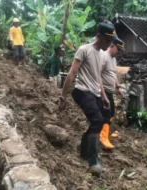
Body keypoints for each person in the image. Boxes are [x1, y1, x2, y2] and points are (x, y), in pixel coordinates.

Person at [58, 21, 117, 172]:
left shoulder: (101, 54)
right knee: (97, 121)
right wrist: (62, 97)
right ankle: (93, 162)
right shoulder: (84, 50)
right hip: (82, 91)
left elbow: (98, 77)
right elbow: (72, 73)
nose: (109, 44)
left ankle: (84, 152)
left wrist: (103, 96)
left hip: (95, 93)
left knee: (102, 120)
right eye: (108, 40)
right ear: (99, 36)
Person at [100, 38, 125, 149]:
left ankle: (106, 133)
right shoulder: (103, 56)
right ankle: (103, 138)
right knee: (106, 113)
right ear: (112, 45)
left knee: (111, 112)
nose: (118, 53)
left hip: (110, 91)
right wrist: (102, 94)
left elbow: (113, 74)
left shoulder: (113, 59)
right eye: (118, 50)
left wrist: (118, 87)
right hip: (102, 91)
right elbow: (97, 75)